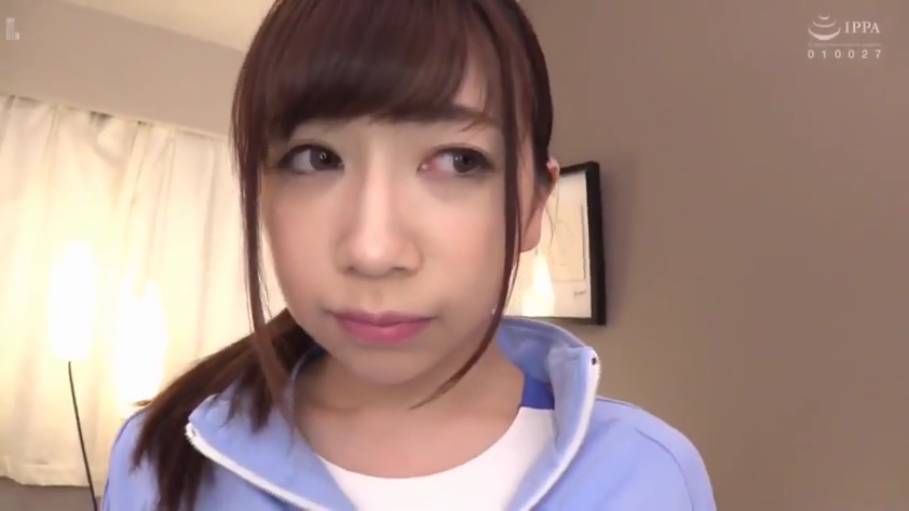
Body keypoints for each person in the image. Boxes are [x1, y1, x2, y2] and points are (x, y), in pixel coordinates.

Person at [102, 0, 716, 509]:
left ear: (534, 204)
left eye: (457, 160)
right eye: (316, 158)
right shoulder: (160, 462)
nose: (373, 251)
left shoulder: (651, 475)